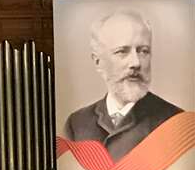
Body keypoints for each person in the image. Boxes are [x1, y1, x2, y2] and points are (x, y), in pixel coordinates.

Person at [61, 10, 183, 161]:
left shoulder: (175, 121)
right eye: (122, 52)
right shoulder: (76, 123)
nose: (136, 63)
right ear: (98, 61)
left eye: (143, 51)